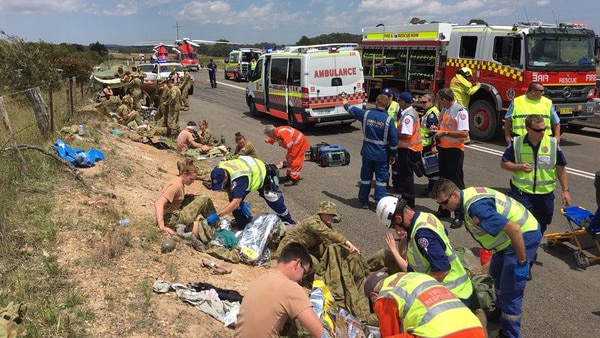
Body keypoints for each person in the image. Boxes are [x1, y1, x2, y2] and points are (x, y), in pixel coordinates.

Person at [431, 178, 542, 338]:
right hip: (507, 241)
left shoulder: (477, 208)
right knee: (496, 273)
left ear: (455, 195)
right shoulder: (466, 198)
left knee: (512, 289)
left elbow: (514, 229)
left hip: (523, 236)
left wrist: (522, 262)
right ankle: (499, 308)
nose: (443, 208)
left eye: (444, 203)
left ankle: (509, 333)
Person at [374, 196, 473, 304]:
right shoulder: (426, 217)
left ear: (399, 218)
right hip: (457, 288)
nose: (396, 230)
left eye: (394, 226)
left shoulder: (422, 235)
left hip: (452, 293)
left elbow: (442, 270)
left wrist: (419, 290)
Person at [501, 114, 571, 235]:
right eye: (538, 130)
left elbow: (561, 169)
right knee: (526, 225)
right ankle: (527, 252)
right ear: (527, 128)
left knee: (542, 224)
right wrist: (520, 167)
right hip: (522, 193)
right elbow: (504, 163)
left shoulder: (552, 144)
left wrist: (565, 191)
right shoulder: (516, 143)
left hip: (545, 194)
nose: (542, 132)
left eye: (544, 129)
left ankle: (532, 246)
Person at [234, 242, 324, 338]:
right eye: (304, 272)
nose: (301, 279)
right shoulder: (291, 288)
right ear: (297, 264)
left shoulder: (261, 279)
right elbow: (321, 334)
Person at [364, 271, 486, 338]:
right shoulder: (415, 277)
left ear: (374, 295)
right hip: (475, 330)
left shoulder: (385, 296)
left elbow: (390, 333)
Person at [343, 94, 398, 209]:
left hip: (367, 153)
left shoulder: (366, 114)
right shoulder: (389, 120)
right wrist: (393, 155)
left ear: (376, 103)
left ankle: (363, 201)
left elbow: (353, 110)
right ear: (387, 105)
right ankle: (379, 204)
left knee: (366, 178)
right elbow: (393, 140)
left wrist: (345, 102)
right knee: (381, 181)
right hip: (382, 155)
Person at [208, 156, 295, 229]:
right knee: (234, 201)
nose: (221, 188)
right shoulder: (219, 168)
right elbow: (230, 190)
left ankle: (289, 222)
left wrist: (218, 215)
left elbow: (235, 203)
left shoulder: (239, 179)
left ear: (225, 177)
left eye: (221, 184)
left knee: (274, 200)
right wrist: (238, 200)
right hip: (248, 172)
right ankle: (243, 224)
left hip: (261, 174)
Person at [277, 201, 360, 271]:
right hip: (290, 249)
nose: (331, 217)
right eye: (328, 214)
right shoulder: (313, 222)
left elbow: (333, 234)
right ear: (321, 213)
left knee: (329, 251)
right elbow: (328, 233)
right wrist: (348, 243)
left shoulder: (324, 222)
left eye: (333, 215)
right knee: (316, 266)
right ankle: (305, 281)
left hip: (306, 246)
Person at [434, 88, 469, 229]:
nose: (438, 102)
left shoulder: (460, 111)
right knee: (443, 181)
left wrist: (445, 132)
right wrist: (437, 129)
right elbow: (442, 125)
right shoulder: (445, 109)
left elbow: (464, 134)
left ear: (444, 99)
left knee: (457, 183)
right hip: (443, 149)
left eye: (439, 99)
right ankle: (444, 210)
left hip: (454, 151)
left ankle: (460, 215)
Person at [155, 159, 217, 236]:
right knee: (204, 198)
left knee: (194, 198)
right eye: (191, 179)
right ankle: (216, 224)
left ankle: (214, 222)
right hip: (170, 220)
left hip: (172, 215)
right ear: (184, 174)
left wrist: (188, 196)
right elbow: (159, 203)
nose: (192, 182)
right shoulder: (176, 186)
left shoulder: (178, 181)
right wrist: (162, 226)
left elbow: (176, 199)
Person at [391, 92, 422, 208]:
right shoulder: (410, 112)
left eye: (399, 101)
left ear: (403, 102)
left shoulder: (408, 116)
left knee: (406, 176)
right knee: (406, 175)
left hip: (408, 149)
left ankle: (408, 200)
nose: (398, 103)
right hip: (410, 148)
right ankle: (406, 198)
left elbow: (406, 134)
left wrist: (394, 133)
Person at [419, 93, 441, 192]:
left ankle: (432, 189)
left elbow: (434, 132)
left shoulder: (432, 114)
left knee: (432, 168)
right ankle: (432, 187)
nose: (422, 104)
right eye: (421, 102)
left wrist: (433, 146)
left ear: (431, 102)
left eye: (424, 102)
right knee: (428, 167)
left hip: (429, 145)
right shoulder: (428, 111)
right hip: (425, 144)